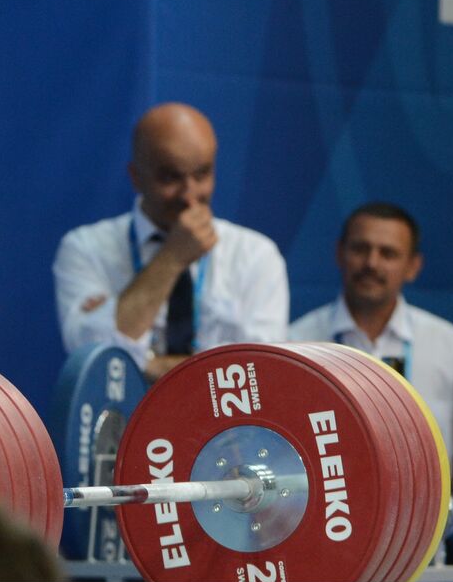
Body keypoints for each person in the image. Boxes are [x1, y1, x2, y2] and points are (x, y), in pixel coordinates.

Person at [53, 102, 288, 381]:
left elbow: (260, 375)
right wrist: (172, 257)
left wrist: (146, 364)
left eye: (202, 174)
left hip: (228, 424)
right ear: (136, 177)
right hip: (126, 422)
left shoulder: (256, 255)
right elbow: (98, 365)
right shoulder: (85, 248)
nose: (189, 196)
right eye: (170, 177)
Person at [289, 202, 453, 531]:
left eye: (388, 253)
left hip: (429, 538)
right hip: (326, 529)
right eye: (361, 249)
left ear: (413, 266)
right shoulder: (294, 346)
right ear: (340, 253)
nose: (371, 263)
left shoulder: (448, 346)